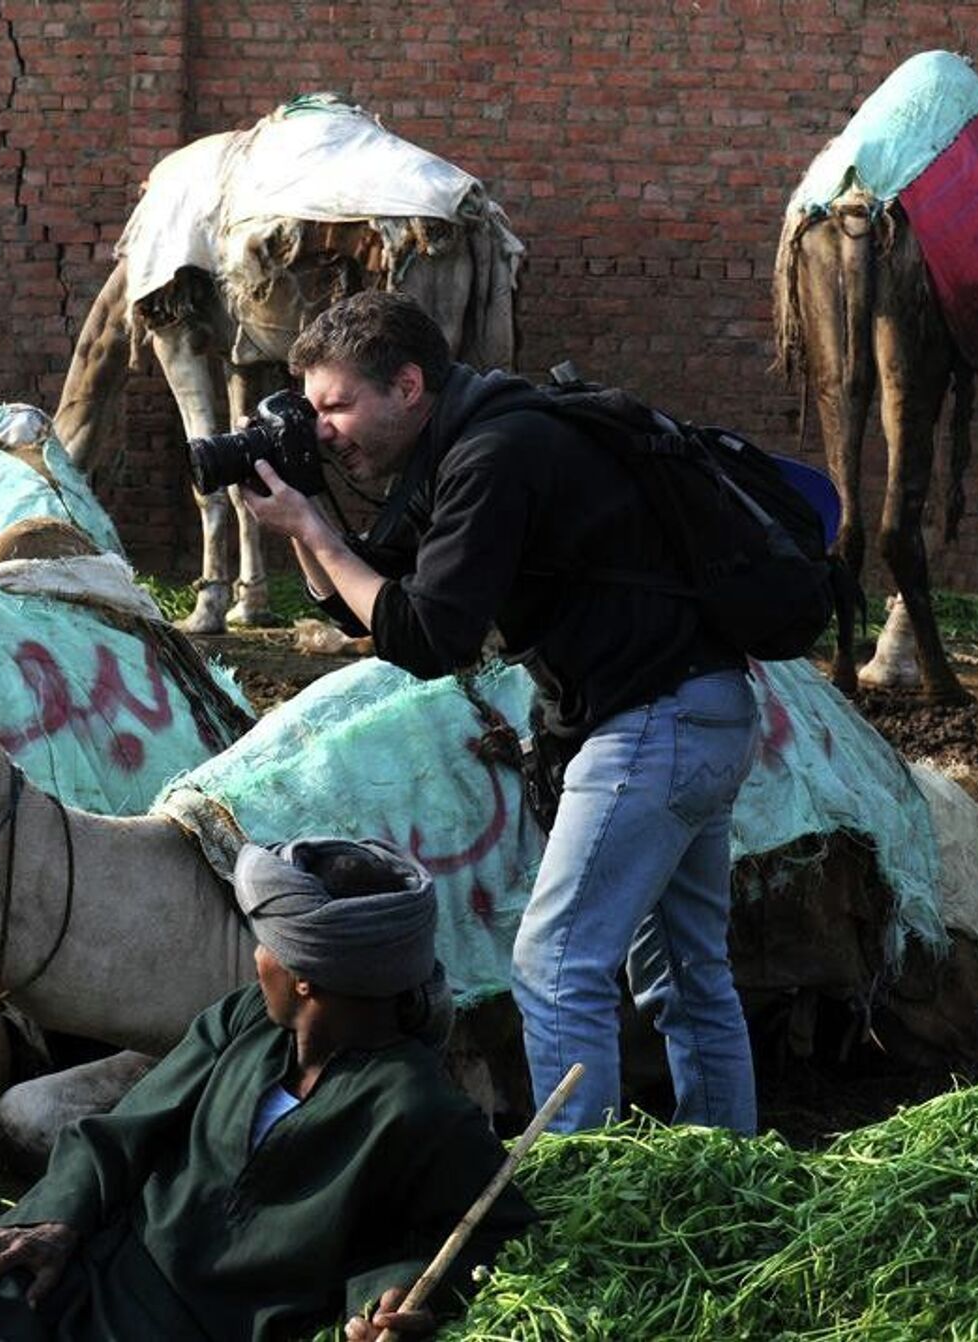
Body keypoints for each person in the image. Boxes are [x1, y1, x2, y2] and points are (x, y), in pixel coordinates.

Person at [242, 291, 761, 1135]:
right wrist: (303, 518)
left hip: (653, 720)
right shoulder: (469, 439)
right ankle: (731, 1165)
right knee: (686, 969)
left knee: (557, 962)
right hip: (701, 709)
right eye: (312, 410)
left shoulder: (493, 453)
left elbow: (424, 637)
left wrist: (316, 527)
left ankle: (573, 1191)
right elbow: (366, 596)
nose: (323, 427)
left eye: (336, 405)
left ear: (407, 385)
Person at [0, 836, 535, 1341]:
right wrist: (58, 1218)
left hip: (214, 1320)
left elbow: (474, 1230)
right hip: (107, 1257)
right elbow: (124, 1132)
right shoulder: (241, 1024)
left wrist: (392, 1303)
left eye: (262, 945)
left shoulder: (419, 1108)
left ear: (303, 978)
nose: (251, 958)